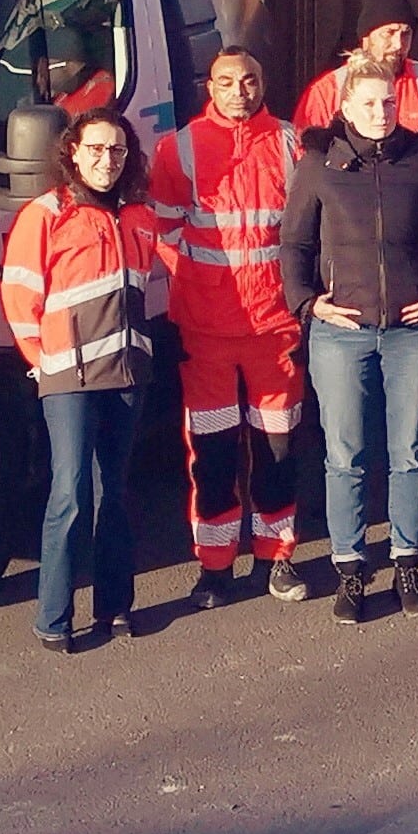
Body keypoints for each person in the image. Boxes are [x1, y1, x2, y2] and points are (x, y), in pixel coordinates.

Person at [281, 59, 418, 623]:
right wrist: (309, 304)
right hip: (342, 334)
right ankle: (351, 569)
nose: (380, 113)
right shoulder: (319, 165)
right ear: (346, 106)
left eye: (388, 102)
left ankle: (408, 562)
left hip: (413, 330)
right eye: (368, 104)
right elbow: (294, 247)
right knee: (346, 456)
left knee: (409, 452)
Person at [147, 50, 313, 609]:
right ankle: (215, 568)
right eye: (226, 82)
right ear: (209, 88)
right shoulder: (180, 148)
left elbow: (307, 232)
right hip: (207, 331)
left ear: (263, 83)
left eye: (249, 80)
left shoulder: (293, 143)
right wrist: (198, 288)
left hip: (275, 328)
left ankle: (276, 558)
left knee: (279, 449)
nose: (239, 91)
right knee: (212, 455)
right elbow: (163, 231)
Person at [0, 108, 165, 653]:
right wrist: (40, 359)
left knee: (113, 492)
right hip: (67, 376)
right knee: (69, 493)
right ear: (72, 152)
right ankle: (53, 616)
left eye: (116, 151)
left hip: (125, 373)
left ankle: (115, 608)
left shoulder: (139, 216)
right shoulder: (46, 213)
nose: (106, 161)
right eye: (94, 149)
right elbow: (20, 296)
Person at [291, 0, 418, 146]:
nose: (398, 44)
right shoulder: (327, 90)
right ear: (366, 37)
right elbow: (306, 157)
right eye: (389, 33)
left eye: (406, 34)